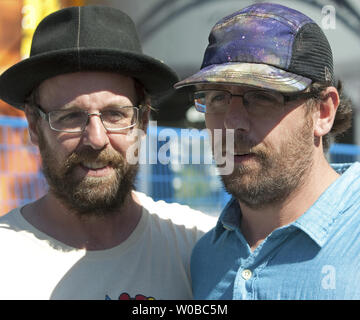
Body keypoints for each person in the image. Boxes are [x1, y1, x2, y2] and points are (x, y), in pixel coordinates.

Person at [0, 5, 216, 300]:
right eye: (70, 116)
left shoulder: (199, 247)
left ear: (141, 121)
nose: (96, 138)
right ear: (35, 126)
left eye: (115, 114)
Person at [174, 3, 359, 299]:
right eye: (217, 97)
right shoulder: (204, 259)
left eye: (261, 96)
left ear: (323, 112)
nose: (232, 123)